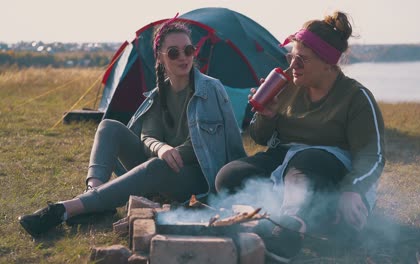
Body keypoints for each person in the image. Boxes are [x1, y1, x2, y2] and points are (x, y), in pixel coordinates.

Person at [19, 18, 246, 237]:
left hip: (198, 178)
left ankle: (64, 209)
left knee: (157, 165)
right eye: (174, 53)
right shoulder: (159, 94)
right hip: (161, 167)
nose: (183, 57)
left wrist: (169, 153)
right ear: (160, 57)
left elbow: (207, 143)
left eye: (188, 50)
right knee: (109, 127)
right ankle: (93, 198)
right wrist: (161, 148)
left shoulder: (210, 89)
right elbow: (148, 135)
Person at [215, 11, 385, 262]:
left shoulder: (356, 97)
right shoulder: (288, 85)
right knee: (229, 177)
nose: (293, 65)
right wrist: (267, 115)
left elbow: (374, 155)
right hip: (286, 161)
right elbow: (260, 137)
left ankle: (288, 231)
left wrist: (353, 190)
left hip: (327, 170)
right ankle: (278, 220)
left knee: (306, 161)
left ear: (328, 63)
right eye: (292, 56)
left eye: (302, 60)